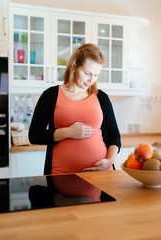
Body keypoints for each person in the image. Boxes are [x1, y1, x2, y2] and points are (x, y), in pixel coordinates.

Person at [28, 43, 121, 175]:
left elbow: (114, 136)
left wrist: (110, 161)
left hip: (101, 175)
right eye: (87, 73)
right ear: (75, 66)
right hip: (61, 175)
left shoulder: (102, 98)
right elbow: (34, 135)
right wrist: (67, 132)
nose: (91, 80)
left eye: (96, 75)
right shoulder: (51, 95)